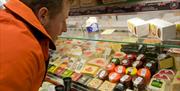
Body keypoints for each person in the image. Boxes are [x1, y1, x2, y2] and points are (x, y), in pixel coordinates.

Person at [0, 0, 71, 91]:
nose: (65, 29)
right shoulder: (23, 49)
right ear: (43, 15)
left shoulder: (9, 21)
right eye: (63, 20)